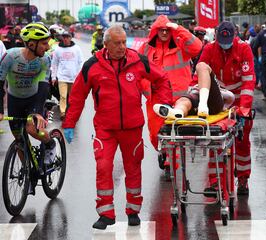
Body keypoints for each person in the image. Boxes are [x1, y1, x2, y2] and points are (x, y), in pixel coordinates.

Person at [61, 25, 172, 229]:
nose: (122, 47)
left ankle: (133, 211)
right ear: (106, 44)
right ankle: (106, 214)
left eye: (124, 42)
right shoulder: (92, 66)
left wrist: (163, 104)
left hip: (132, 127)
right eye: (117, 43)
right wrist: (69, 123)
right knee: (103, 168)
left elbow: (162, 78)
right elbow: (77, 96)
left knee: (133, 168)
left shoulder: (138, 60)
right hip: (105, 129)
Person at [195, 21, 255, 196]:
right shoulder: (209, 49)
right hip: (219, 100)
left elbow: (248, 81)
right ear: (216, 35)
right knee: (216, 141)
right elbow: (200, 73)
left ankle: (243, 178)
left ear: (235, 35)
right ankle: (215, 183)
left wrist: (244, 108)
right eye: (221, 39)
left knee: (242, 143)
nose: (225, 44)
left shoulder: (244, 49)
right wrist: (198, 98)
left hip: (238, 101)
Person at [138, 15, 202, 172]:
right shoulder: (146, 48)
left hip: (178, 100)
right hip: (156, 100)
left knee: (177, 133)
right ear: (156, 31)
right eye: (162, 30)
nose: (165, 33)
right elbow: (137, 70)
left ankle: (172, 163)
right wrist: (147, 90)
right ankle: (164, 153)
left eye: (167, 30)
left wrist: (178, 28)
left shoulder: (181, 45)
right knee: (155, 134)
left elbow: (197, 47)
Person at [0, 23, 55, 194]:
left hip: (34, 98)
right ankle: (29, 174)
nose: (47, 46)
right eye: (44, 43)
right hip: (15, 100)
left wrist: (38, 111)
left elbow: (44, 84)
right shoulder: (10, 57)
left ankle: (50, 144)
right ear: (31, 44)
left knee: (32, 128)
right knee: (19, 141)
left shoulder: (45, 58)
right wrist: (0, 111)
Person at [153, 69, 235, 119]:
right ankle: (178, 112)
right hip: (196, 99)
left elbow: (231, 97)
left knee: (201, 65)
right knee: (183, 101)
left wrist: (225, 107)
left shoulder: (217, 88)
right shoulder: (193, 85)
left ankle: (203, 105)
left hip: (210, 103)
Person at [51, 31, 83, 120]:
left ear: (70, 38)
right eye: (64, 37)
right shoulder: (58, 49)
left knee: (72, 98)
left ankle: (72, 112)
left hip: (74, 78)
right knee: (63, 96)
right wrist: (54, 77)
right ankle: (63, 113)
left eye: (67, 37)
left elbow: (81, 62)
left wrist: (80, 75)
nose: (65, 39)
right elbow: (54, 64)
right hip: (62, 77)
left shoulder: (76, 48)